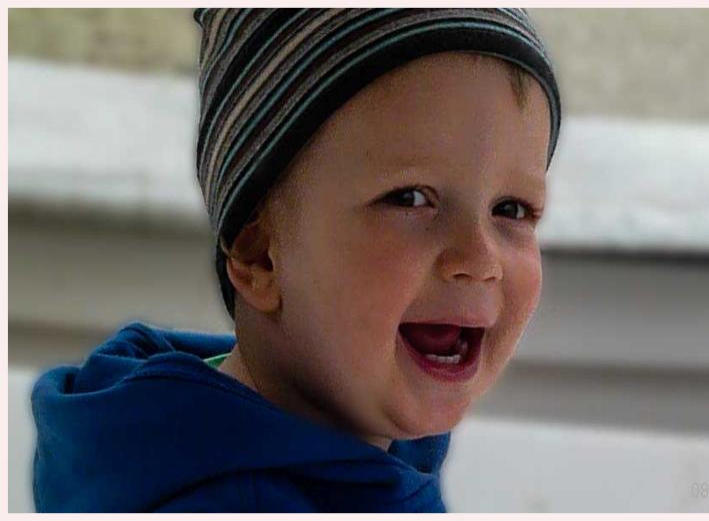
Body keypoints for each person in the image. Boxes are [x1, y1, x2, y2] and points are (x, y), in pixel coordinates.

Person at [30, 8, 561, 512]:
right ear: (261, 257)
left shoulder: (352, 420)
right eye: (410, 198)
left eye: (512, 209)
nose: (479, 257)